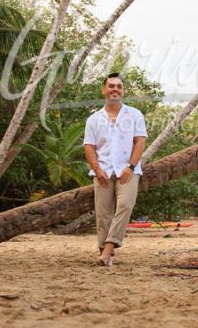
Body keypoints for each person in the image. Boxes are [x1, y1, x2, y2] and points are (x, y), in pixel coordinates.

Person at [84, 72, 148, 267]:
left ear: (123, 91)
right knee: (103, 214)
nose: (115, 89)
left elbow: (140, 142)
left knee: (125, 205)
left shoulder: (134, 114)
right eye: (111, 86)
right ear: (104, 90)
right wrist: (96, 169)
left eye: (119, 86)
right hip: (102, 171)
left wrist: (130, 166)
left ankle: (108, 250)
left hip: (127, 172)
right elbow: (89, 146)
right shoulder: (94, 119)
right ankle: (105, 256)